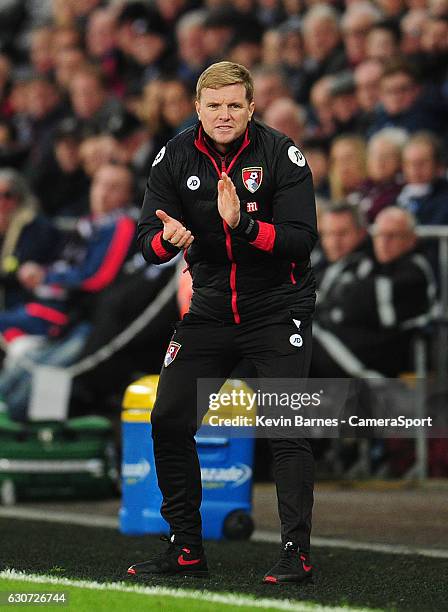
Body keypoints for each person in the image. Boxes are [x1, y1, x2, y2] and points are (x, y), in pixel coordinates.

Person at [129, 61, 317, 584]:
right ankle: (184, 547)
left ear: (252, 107)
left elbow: (303, 239)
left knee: (288, 426)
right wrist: (168, 241)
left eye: (235, 105)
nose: (224, 115)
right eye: (214, 106)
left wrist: (245, 225)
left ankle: (295, 552)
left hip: (278, 306)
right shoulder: (174, 157)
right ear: (197, 108)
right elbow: (147, 242)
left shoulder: (283, 155)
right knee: (168, 418)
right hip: (211, 307)